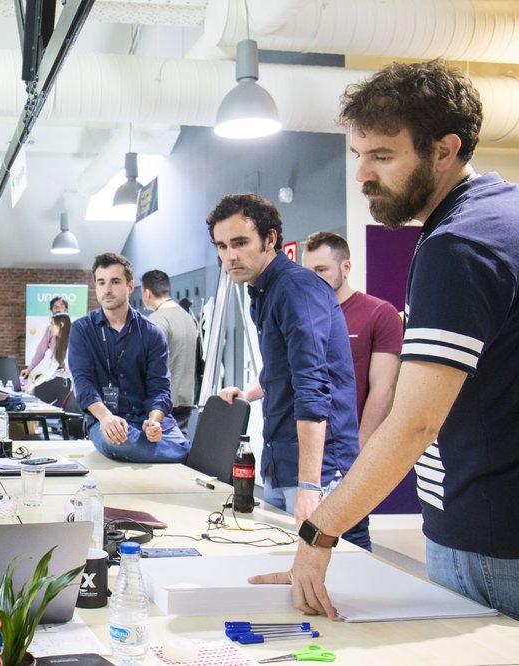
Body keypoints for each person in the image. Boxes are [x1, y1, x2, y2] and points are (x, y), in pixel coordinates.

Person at [252, 60, 519, 621]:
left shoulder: (459, 245)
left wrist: (319, 532)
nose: (361, 175)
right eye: (358, 155)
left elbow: (415, 421)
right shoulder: (503, 214)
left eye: (383, 155)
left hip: (490, 536)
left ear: (444, 150)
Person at [208, 194, 369, 550]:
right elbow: (282, 367)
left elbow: (312, 387)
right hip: (281, 459)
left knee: (341, 577)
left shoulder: (296, 288)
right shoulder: (262, 291)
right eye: (222, 246)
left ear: (270, 239)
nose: (229, 256)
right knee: (290, 573)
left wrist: (311, 486)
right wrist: (248, 393)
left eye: (240, 243)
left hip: (320, 469)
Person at [68, 253, 190, 464]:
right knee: (122, 442)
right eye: (101, 282)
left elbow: (160, 387)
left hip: (147, 419)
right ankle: (182, 454)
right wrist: (106, 417)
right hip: (106, 420)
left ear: (130, 286)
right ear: (95, 286)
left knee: (160, 440)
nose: (107, 289)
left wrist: (154, 422)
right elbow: (83, 384)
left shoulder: (152, 333)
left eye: (115, 282)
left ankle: (167, 449)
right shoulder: (82, 330)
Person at [301, 232, 402, 446]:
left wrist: (358, 450)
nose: (313, 279)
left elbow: (382, 390)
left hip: (346, 446)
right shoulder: (302, 316)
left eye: (321, 270)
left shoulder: (380, 313)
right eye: (308, 272)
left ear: (345, 267)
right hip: (304, 443)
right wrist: (247, 393)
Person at [140, 269, 198, 431]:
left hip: (161, 406)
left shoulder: (156, 320)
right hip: (185, 400)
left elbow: (146, 364)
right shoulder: (188, 318)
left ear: (147, 293)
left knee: (158, 452)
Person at [21, 296, 69, 379]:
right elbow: (40, 351)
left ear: (66, 309)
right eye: (55, 306)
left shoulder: (75, 329)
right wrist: (29, 369)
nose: (57, 308)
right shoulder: (50, 330)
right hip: (57, 372)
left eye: (61, 306)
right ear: (51, 310)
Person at [26, 313, 71, 387]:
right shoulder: (60, 346)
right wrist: (31, 386)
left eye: (52, 324)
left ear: (61, 325)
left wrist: (69, 372)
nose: (50, 328)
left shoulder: (74, 342)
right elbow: (50, 371)